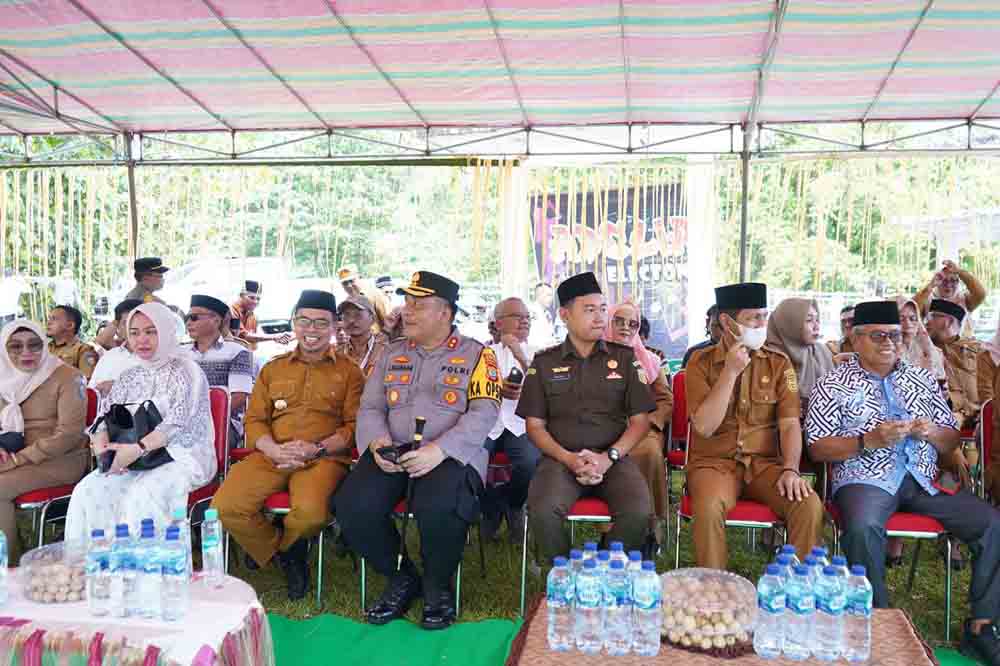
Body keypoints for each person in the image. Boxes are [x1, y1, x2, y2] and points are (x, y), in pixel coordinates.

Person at [806, 300, 1000, 666]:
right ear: (855, 338)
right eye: (877, 336)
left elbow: (950, 440)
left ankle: (982, 627)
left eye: (894, 335)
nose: (889, 343)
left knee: (992, 524)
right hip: (864, 477)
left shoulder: (921, 379)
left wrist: (931, 433)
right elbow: (817, 447)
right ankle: (876, 625)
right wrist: (868, 440)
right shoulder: (832, 383)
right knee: (863, 526)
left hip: (923, 478)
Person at [334, 271, 500, 630]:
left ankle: (438, 585)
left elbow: (485, 412)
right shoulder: (392, 353)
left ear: (445, 313)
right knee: (353, 506)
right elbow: (371, 407)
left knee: (439, 506)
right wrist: (377, 442)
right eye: (406, 303)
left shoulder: (478, 355)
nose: (406, 311)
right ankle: (401, 577)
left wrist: (440, 450)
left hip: (451, 452)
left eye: (418, 305)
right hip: (393, 448)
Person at [213, 290, 363, 601]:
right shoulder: (273, 368)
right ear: (293, 323)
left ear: (335, 326)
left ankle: (290, 547)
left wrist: (317, 449)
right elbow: (255, 420)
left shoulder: (350, 372)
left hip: (322, 458)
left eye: (321, 323)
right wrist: (272, 448)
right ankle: (286, 551)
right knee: (224, 508)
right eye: (304, 321)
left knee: (310, 515)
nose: (312, 330)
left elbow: (354, 427)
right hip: (272, 454)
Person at [517, 272, 655, 563]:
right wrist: (569, 459)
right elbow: (534, 426)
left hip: (614, 458)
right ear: (564, 315)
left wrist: (608, 457)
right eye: (590, 310)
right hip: (560, 460)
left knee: (639, 510)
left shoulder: (625, 359)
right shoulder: (544, 363)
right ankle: (565, 575)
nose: (600, 317)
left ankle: (606, 571)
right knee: (543, 511)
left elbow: (640, 422)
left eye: (603, 309)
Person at [685, 282, 822, 569]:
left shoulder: (778, 363)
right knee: (708, 508)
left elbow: (789, 424)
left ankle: (796, 587)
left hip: (764, 466)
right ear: (727, 323)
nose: (762, 324)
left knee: (807, 504)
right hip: (714, 464)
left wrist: (791, 469)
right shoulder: (700, 362)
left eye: (764, 316)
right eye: (754, 318)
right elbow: (704, 427)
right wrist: (730, 372)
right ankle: (715, 588)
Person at [64, 303, 217, 544]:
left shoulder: (186, 370)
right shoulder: (130, 375)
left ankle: (149, 565)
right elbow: (104, 417)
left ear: (166, 331)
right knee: (88, 490)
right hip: (132, 456)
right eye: (134, 333)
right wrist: (103, 449)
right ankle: (99, 562)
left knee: (143, 495)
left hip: (181, 455)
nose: (142, 340)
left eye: (151, 331)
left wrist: (139, 449)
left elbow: (178, 423)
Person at [0, 319, 88, 562]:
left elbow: (69, 435)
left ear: (45, 345)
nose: (26, 353)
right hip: (15, 457)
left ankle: (9, 567)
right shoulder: (3, 377)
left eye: (34, 345)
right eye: (15, 346)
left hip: (61, 460)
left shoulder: (68, 377)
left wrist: (17, 459)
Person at [603, 300, 673, 546]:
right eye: (619, 321)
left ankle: (650, 527)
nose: (626, 327)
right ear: (608, 323)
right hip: (604, 429)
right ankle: (611, 529)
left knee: (649, 452)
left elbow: (665, 400)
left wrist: (649, 423)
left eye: (632, 324)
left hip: (643, 429)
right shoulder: (592, 356)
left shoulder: (651, 360)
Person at [481, 297, 540, 542]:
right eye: (518, 316)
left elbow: (543, 388)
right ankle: (490, 508)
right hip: (487, 423)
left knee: (529, 463)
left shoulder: (540, 353)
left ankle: (513, 504)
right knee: (468, 462)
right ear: (499, 323)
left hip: (520, 424)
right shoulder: (483, 353)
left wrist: (518, 353)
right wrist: (497, 390)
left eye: (527, 317)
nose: (524, 321)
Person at [183, 295, 253, 448]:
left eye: (194, 317)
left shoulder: (237, 352)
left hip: (222, 423)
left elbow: (239, 397)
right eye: (186, 318)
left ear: (215, 320)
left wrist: (201, 417)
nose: (188, 323)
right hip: (180, 422)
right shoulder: (180, 353)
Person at [764, 298, 835, 408]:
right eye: (809, 320)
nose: (816, 327)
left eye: (817, 320)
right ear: (789, 324)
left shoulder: (823, 352)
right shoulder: (765, 358)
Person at [926, 299, 982, 431]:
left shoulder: (976, 350)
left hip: (979, 422)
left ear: (948, 321)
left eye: (932, 317)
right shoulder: (925, 351)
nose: (927, 322)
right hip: (941, 424)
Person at [88, 299, 144, 409]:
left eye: (138, 322)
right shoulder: (109, 357)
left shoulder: (159, 358)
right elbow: (92, 393)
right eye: (126, 323)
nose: (133, 328)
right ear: (118, 327)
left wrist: (118, 387)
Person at [915, 260, 987, 337]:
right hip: (931, 342)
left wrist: (959, 272)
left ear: (958, 282)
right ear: (937, 280)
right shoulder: (927, 297)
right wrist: (930, 286)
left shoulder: (964, 299)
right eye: (943, 280)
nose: (948, 285)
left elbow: (980, 294)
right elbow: (912, 309)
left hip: (955, 343)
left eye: (953, 280)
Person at [336, 295, 390, 379]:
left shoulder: (386, 350)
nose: (351, 320)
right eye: (346, 315)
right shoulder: (336, 353)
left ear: (372, 319)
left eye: (358, 315)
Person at [230, 281, 293, 352]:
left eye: (258, 299)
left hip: (249, 353)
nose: (255, 302)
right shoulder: (232, 311)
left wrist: (280, 339)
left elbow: (257, 336)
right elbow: (242, 336)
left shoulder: (252, 314)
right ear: (241, 296)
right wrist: (274, 337)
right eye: (251, 297)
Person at [46, 305, 99, 380]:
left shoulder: (83, 350)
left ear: (70, 325)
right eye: (49, 319)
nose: (48, 322)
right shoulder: (44, 348)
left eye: (54, 319)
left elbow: (87, 382)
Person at [527, 281, 556, 348]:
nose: (551, 298)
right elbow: (530, 338)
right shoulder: (530, 312)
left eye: (551, 295)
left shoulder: (547, 314)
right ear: (539, 295)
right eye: (548, 295)